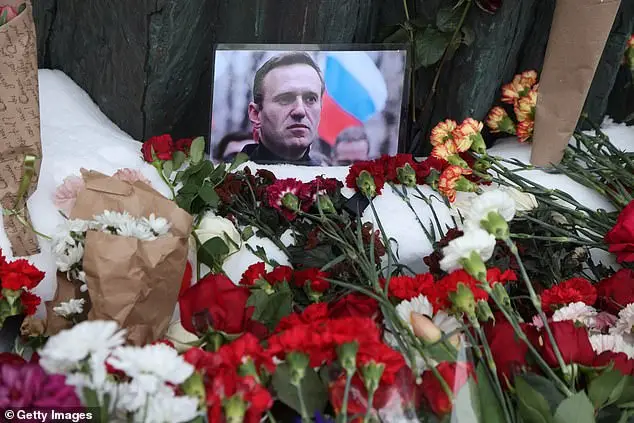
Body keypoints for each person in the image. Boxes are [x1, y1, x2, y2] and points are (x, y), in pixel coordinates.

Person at [244, 52, 325, 166]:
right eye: (285, 99)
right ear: (256, 114)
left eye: (311, 99)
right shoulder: (227, 180)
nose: (300, 111)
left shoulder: (333, 180)